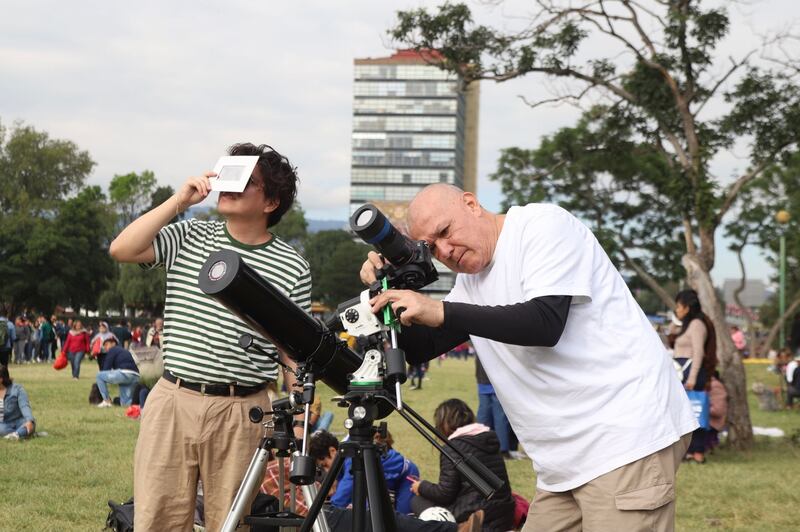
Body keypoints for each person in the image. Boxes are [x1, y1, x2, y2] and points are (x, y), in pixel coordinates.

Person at [361, 184, 697, 531]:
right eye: (431, 247)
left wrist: (440, 309)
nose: (445, 250)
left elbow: (544, 323)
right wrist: (384, 291)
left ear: (471, 204)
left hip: (623, 438)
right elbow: (418, 349)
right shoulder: (471, 283)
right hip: (562, 467)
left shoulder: (542, 226)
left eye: (446, 231)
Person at [109, 142, 311, 531]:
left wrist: (300, 419)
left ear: (271, 202)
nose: (228, 187)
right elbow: (122, 248)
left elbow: (293, 350)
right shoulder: (190, 235)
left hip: (244, 408)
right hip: (173, 399)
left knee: (230, 524)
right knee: (156, 520)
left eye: (245, 182)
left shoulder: (292, 265)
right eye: (228, 176)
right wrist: (178, 201)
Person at [410, 399, 514, 531]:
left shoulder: (453, 448)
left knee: (417, 501)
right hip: (504, 514)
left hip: (475, 514)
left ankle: (459, 528)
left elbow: (444, 494)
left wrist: (421, 486)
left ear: (444, 423)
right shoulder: (488, 438)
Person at [309, 429, 420, 516]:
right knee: (366, 511)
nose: (326, 471)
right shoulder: (343, 452)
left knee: (403, 518)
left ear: (332, 451)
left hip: (406, 476)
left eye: (325, 465)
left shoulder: (352, 456)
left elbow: (346, 488)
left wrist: (330, 509)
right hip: (379, 479)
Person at [668, 289, 717, 464]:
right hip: (681, 372)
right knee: (683, 412)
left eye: (679, 307)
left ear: (687, 307)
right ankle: (688, 451)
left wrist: (693, 378)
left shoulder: (697, 324)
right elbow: (671, 333)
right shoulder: (686, 324)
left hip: (690, 373)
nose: (677, 310)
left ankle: (698, 450)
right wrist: (676, 320)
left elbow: (698, 352)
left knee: (695, 412)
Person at [474, 357, 513, 459]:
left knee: (484, 413)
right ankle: (502, 449)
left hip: (482, 377)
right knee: (499, 416)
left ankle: (478, 445)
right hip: (497, 378)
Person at [95, 337, 140, 408]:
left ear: (113, 343)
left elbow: (106, 368)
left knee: (99, 376)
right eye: (104, 346)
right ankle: (145, 402)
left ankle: (106, 401)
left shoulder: (113, 349)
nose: (105, 347)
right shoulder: (123, 350)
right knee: (125, 403)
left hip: (124, 374)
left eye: (106, 344)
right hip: (135, 375)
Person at [0, 365, 35, 440]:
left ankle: (18, 434)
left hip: (19, 421)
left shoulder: (17, 389)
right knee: (1, 428)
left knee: (31, 422)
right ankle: (21, 433)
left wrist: (29, 420)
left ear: (1, 379)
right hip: (3, 424)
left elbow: (24, 406)